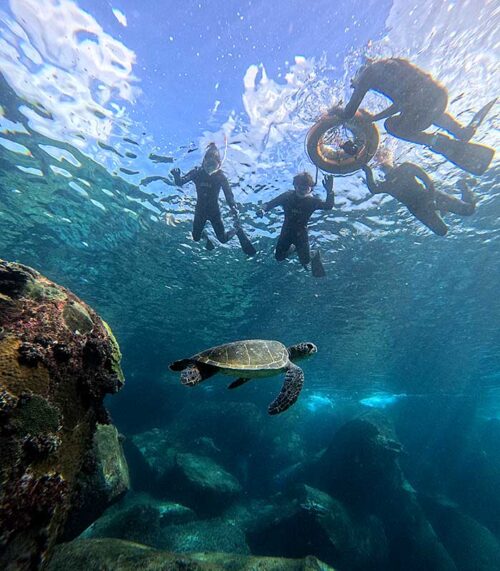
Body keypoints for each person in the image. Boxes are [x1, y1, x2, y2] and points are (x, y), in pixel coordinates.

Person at [342, 57, 495, 175]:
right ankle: (461, 131)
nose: (356, 86)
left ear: (360, 73)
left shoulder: (367, 75)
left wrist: (337, 114)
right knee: (424, 108)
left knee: (392, 126)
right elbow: (402, 102)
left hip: (420, 105)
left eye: (355, 82)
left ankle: (434, 141)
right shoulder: (390, 65)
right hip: (439, 96)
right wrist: (374, 118)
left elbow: (349, 112)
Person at [171, 143, 256, 255]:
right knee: (196, 237)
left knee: (223, 239)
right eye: (208, 164)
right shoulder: (196, 172)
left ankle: (237, 230)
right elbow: (180, 182)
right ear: (203, 162)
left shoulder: (220, 176)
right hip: (200, 211)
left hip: (214, 212)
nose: (210, 169)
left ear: (219, 165)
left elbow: (228, 195)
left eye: (213, 165)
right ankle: (206, 238)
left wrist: (233, 208)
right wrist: (176, 176)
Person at [361, 161, 477, 236]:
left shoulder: (405, 168)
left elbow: (428, 181)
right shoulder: (388, 184)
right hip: (418, 208)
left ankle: (462, 184)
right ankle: (441, 212)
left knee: (468, 210)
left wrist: (431, 199)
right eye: (383, 168)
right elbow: (373, 189)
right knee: (441, 231)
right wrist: (367, 170)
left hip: (428, 196)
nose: (386, 169)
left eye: (385, 166)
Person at [257, 172, 335, 276]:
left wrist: (330, 192)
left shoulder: (312, 201)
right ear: (295, 186)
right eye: (300, 188)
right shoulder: (287, 196)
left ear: (310, 189)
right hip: (286, 232)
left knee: (306, 262)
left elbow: (328, 206)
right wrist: (262, 210)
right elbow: (270, 204)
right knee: (279, 257)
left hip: (301, 234)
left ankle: (314, 254)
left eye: (305, 188)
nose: (302, 191)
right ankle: (294, 248)